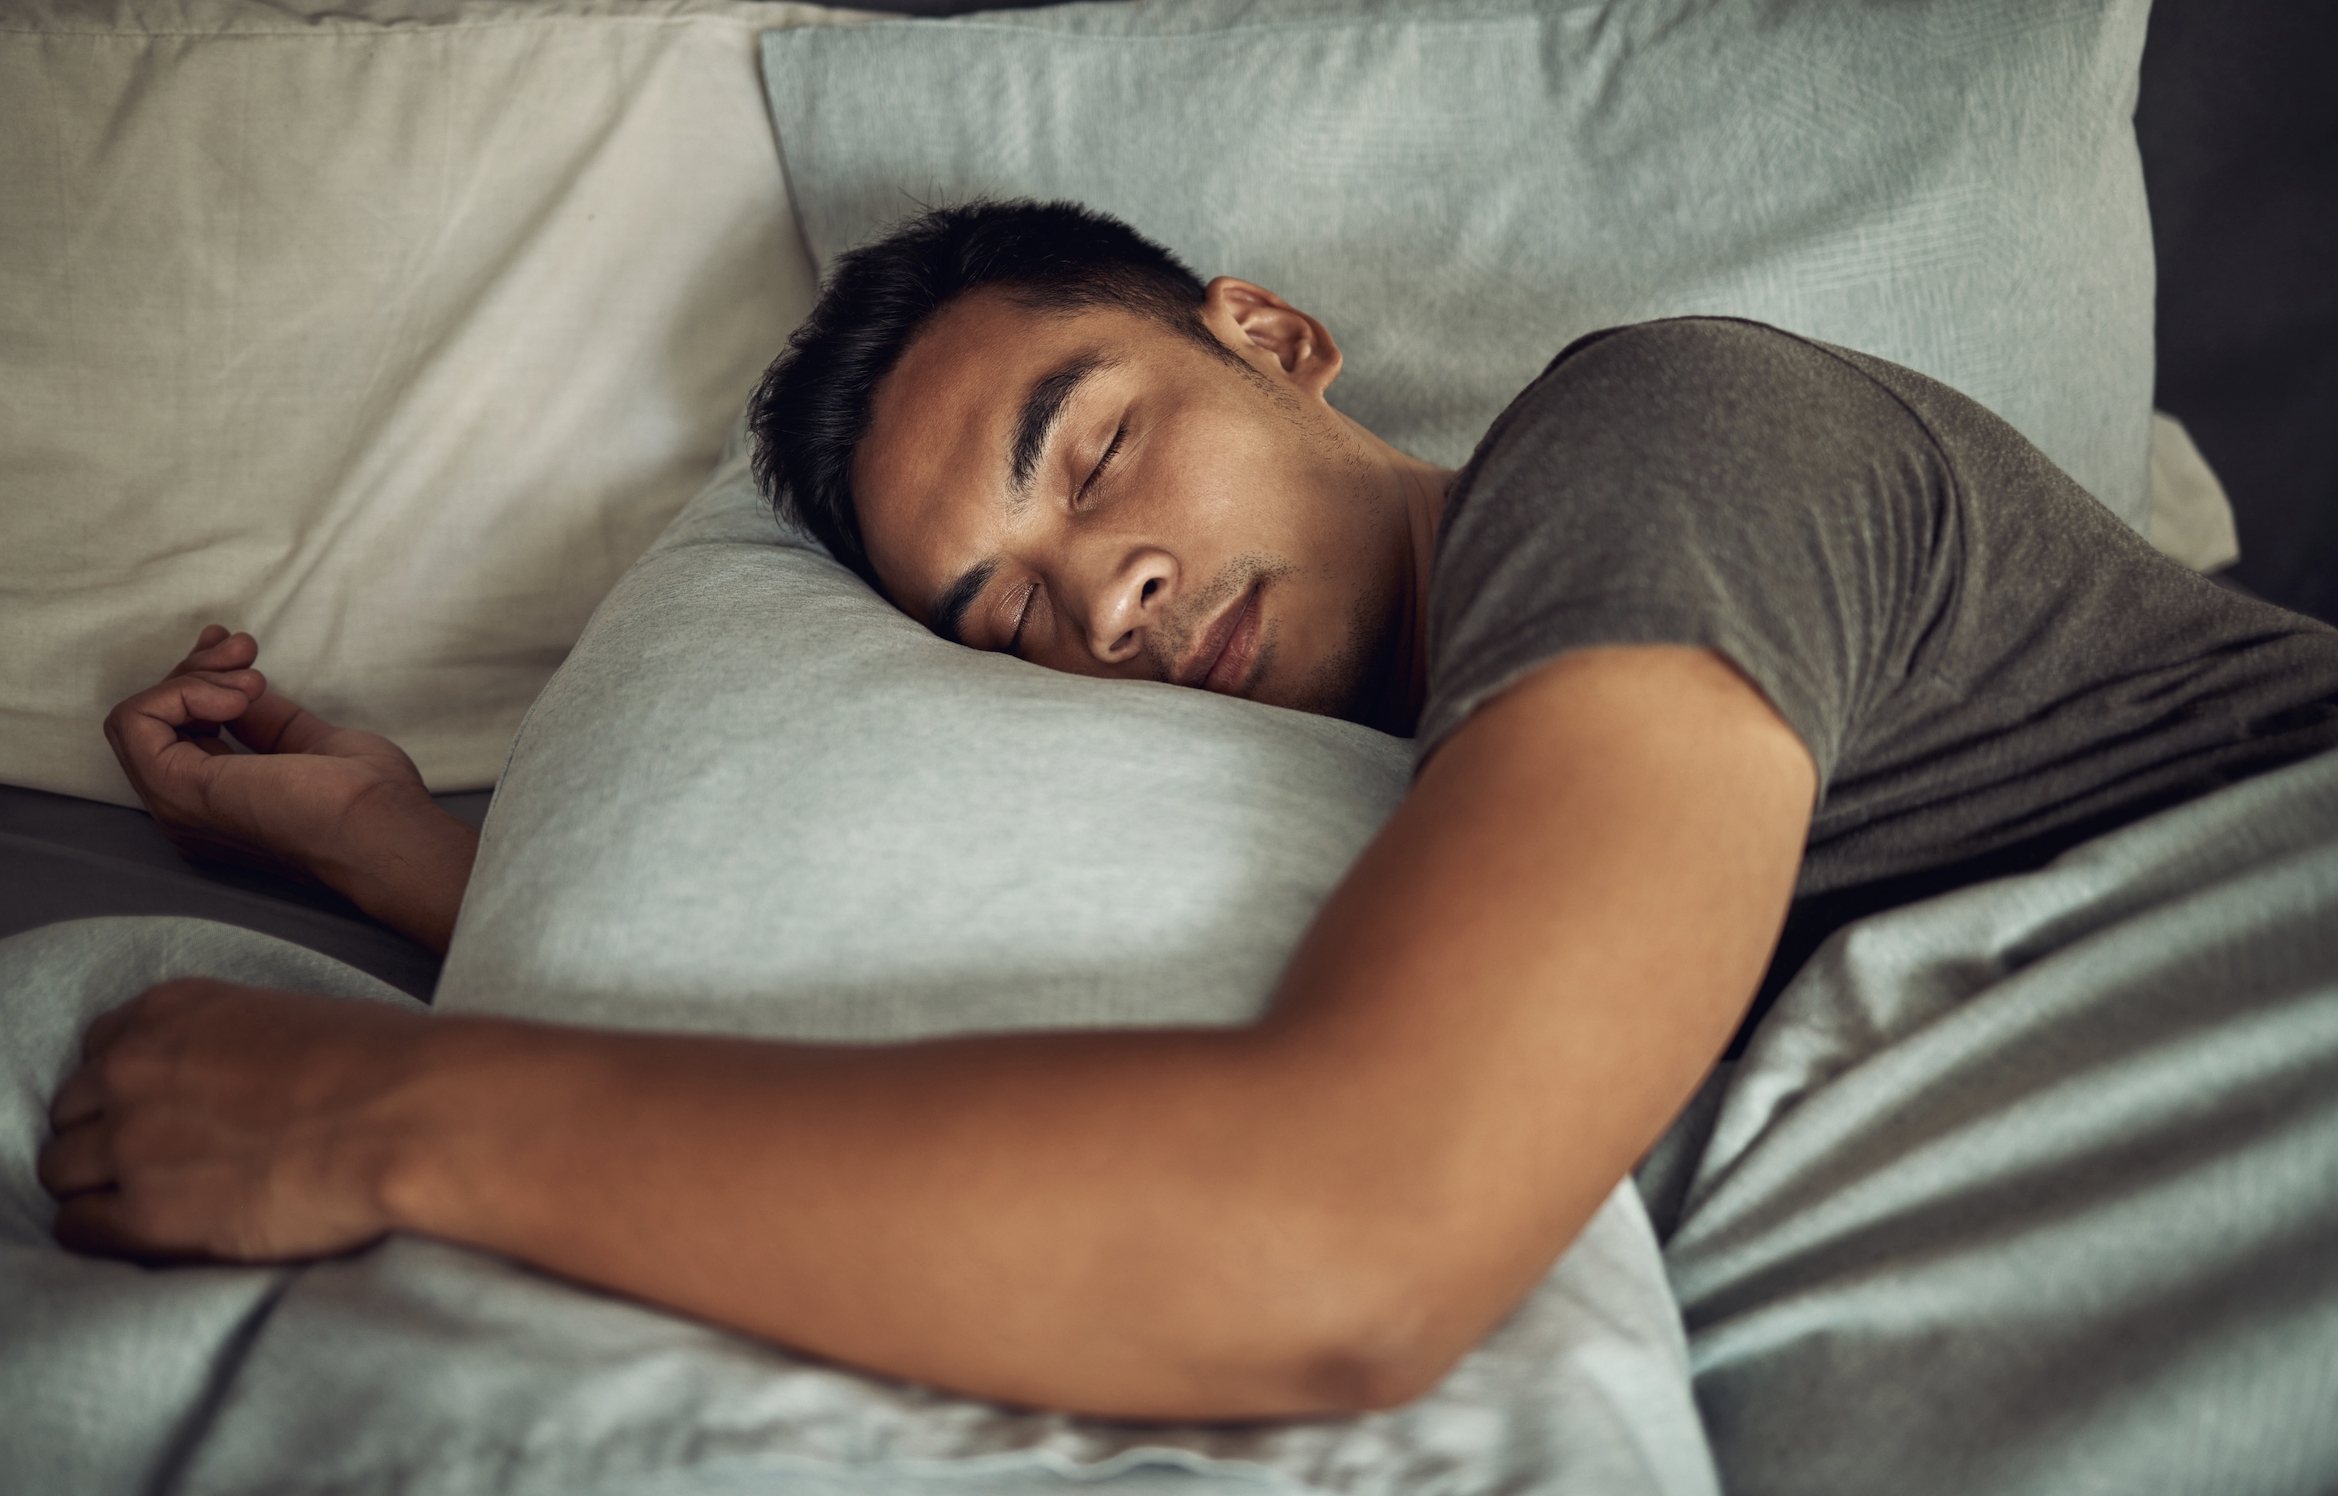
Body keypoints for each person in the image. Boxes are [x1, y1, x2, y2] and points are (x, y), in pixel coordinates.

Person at [38, 201, 2338, 1421]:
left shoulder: (1646, 446)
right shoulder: (1385, 774)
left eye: (1096, 448)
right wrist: (416, 861)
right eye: (1006, 611)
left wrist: (396, 1116)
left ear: (1271, 332)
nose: (1104, 597)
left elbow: (1345, 1248)